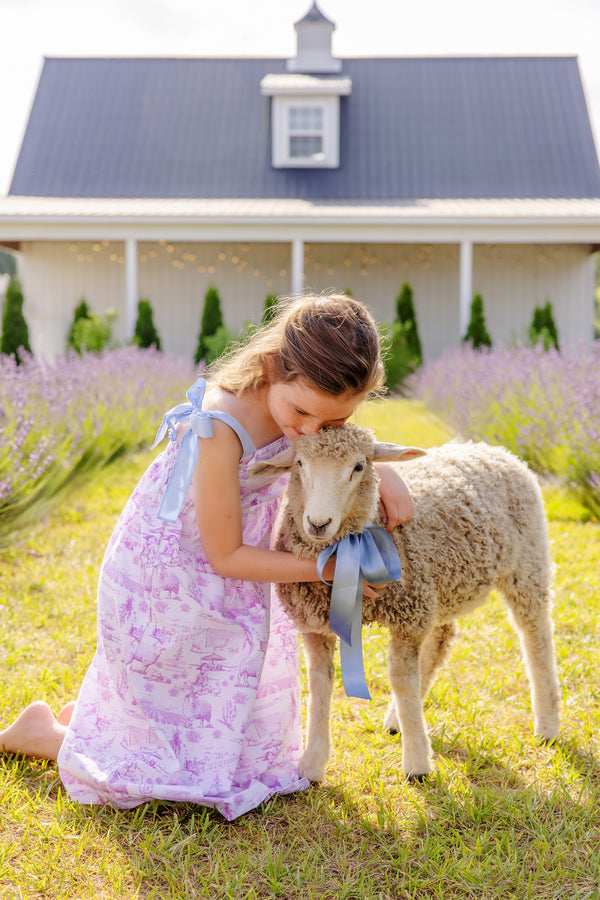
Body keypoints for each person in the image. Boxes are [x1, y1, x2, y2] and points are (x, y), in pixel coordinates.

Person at [0, 293, 414, 820]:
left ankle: (103, 725)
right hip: (170, 582)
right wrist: (322, 568)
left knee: (239, 748)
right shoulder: (222, 425)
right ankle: (47, 735)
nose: (313, 431)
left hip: (231, 580)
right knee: (185, 778)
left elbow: (335, 446)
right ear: (271, 367)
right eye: (305, 413)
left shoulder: (305, 407)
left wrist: (386, 471)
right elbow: (226, 554)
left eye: (334, 421)